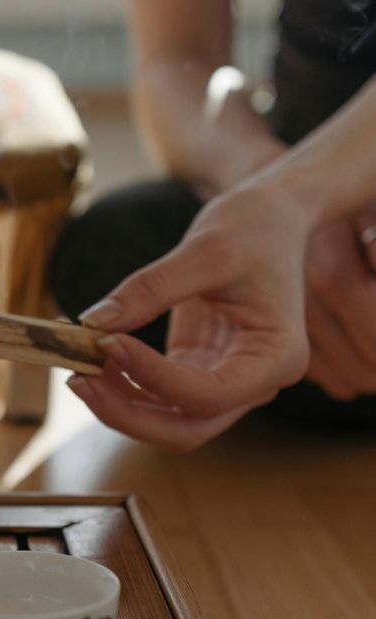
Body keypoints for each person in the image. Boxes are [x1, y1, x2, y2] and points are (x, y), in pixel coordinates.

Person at [49, 0, 376, 451]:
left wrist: (293, 200)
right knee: (107, 247)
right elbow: (179, 60)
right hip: (287, 163)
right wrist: (258, 194)